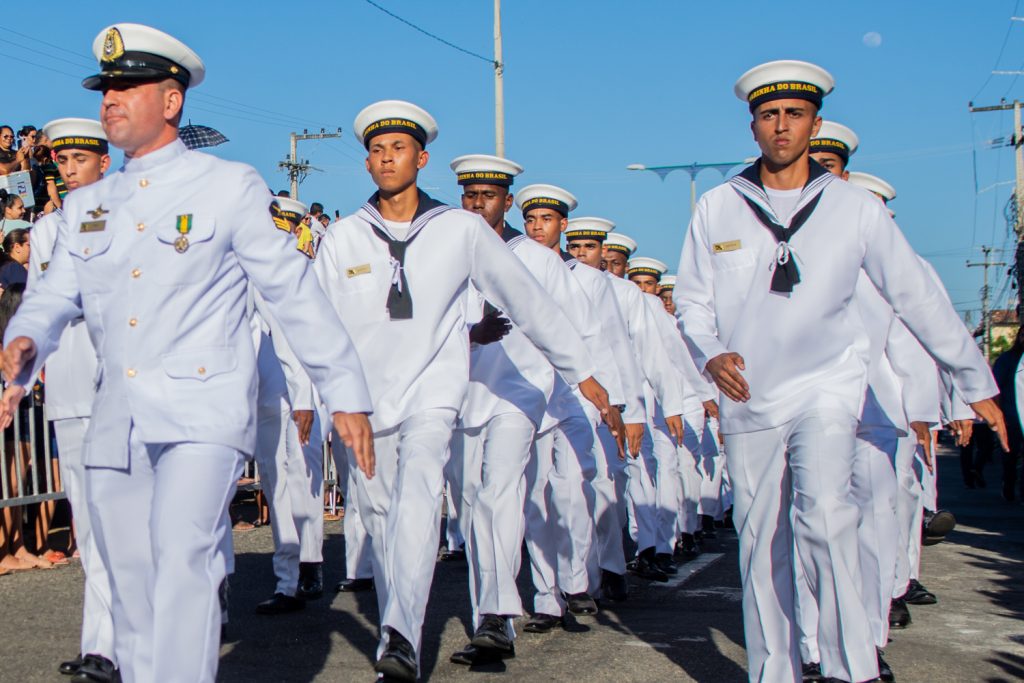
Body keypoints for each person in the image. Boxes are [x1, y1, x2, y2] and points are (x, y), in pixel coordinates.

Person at [0, 23, 374, 683]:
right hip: (120, 412)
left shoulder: (226, 186)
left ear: (171, 100)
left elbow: (289, 292)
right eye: (105, 88)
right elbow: (52, 295)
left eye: (127, 87)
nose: (110, 100)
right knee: (127, 566)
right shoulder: (93, 206)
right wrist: (23, 345)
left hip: (203, 408)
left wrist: (343, 389)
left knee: (181, 553)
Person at [675, 59, 1006, 683]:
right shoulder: (718, 207)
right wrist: (709, 352)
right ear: (753, 127)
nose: (781, 127)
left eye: (794, 115)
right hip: (750, 395)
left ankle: (851, 667)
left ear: (814, 123)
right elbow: (691, 302)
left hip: (828, 386)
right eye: (769, 116)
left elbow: (916, 294)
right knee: (762, 540)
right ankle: (775, 671)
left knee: (827, 517)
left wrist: (974, 381)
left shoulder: (854, 208)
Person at [313, 100, 620, 682]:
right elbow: (317, 326)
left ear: (420, 158)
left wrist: (582, 372)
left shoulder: (459, 230)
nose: (386, 159)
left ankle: (400, 637)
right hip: (368, 403)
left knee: (421, 500)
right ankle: (397, 621)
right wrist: (326, 398)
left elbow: (528, 301)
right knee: (380, 518)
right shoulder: (345, 238)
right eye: (376, 151)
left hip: (435, 394)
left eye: (398, 149)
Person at [445, 155, 625, 665]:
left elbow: (572, 325)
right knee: (470, 500)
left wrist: (594, 389)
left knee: (500, 497)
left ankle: (495, 618)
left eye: (488, 196)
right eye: (469, 195)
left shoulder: (541, 260)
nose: (478, 204)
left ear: (507, 201)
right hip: (459, 393)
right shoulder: (448, 246)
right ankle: (497, 607)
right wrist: (467, 335)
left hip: (521, 395)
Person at [27, 117, 116, 682]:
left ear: (103, 164)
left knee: (131, 522)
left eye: (79, 160)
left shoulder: (127, 220)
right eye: (61, 161)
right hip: (69, 384)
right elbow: (43, 304)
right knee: (90, 523)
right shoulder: (44, 231)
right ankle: (101, 647)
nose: (69, 170)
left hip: (121, 386)